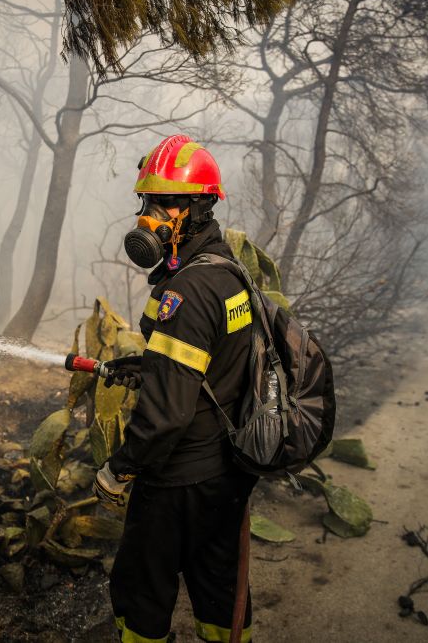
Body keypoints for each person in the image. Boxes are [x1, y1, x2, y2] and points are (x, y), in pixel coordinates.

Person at [93, 134, 258, 643]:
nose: (150, 216)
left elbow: (166, 417)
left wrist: (118, 469)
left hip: (176, 481)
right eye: (147, 201)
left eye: (166, 203)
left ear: (201, 206)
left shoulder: (183, 292)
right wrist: (150, 364)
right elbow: (213, 364)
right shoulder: (226, 272)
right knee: (220, 594)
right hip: (225, 474)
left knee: (142, 596)